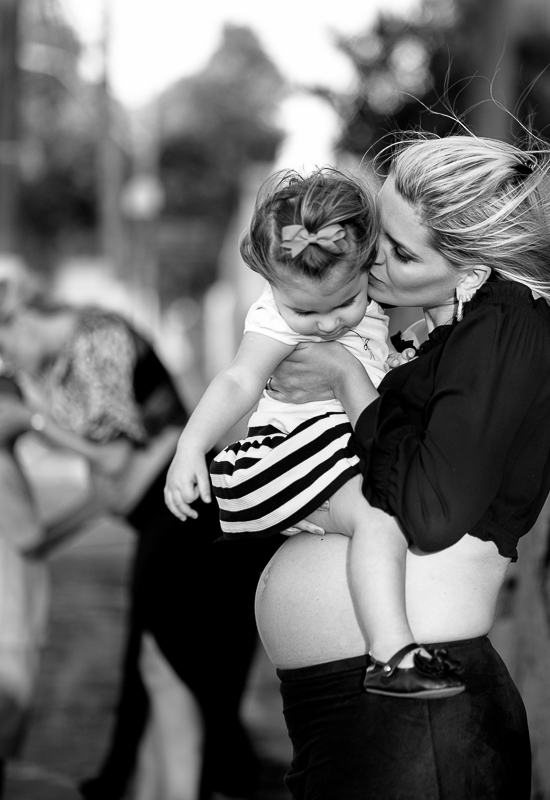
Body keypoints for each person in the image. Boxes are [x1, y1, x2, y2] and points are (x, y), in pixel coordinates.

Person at [254, 134, 550, 799]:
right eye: (377, 233)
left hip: (419, 722)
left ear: (472, 268)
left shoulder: (508, 325)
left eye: (403, 253)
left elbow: (429, 512)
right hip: (363, 711)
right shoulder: (454, 332)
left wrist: (346, 379)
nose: (373, 259)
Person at [0, 281, 277, 800]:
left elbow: (115, 457)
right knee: (156, 656)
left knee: (177, 656)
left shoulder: (96, 337)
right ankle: (162, 775)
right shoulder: (58, 362)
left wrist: (32, 422)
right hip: (159, 514)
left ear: (19, 319)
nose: (5, 361)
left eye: (1, 345)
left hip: (187, 508)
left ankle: (216, 773)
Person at [164, 167, 463, 699]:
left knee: (393, 507)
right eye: (304, 311)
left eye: (344, 305)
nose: (327, 325)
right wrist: (191, 445)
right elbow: (238, 381)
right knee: (380, 517)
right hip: (290, 455)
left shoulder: (374, 301)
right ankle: (392, 655)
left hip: (336, 455)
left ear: (368, 264)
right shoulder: (272, 319)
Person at [0, 373, 106, 800]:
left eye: (18, 407)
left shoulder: (2, 461)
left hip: (5, 619)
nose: (15, 417)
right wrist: (92, 507)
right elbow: (30, 541)